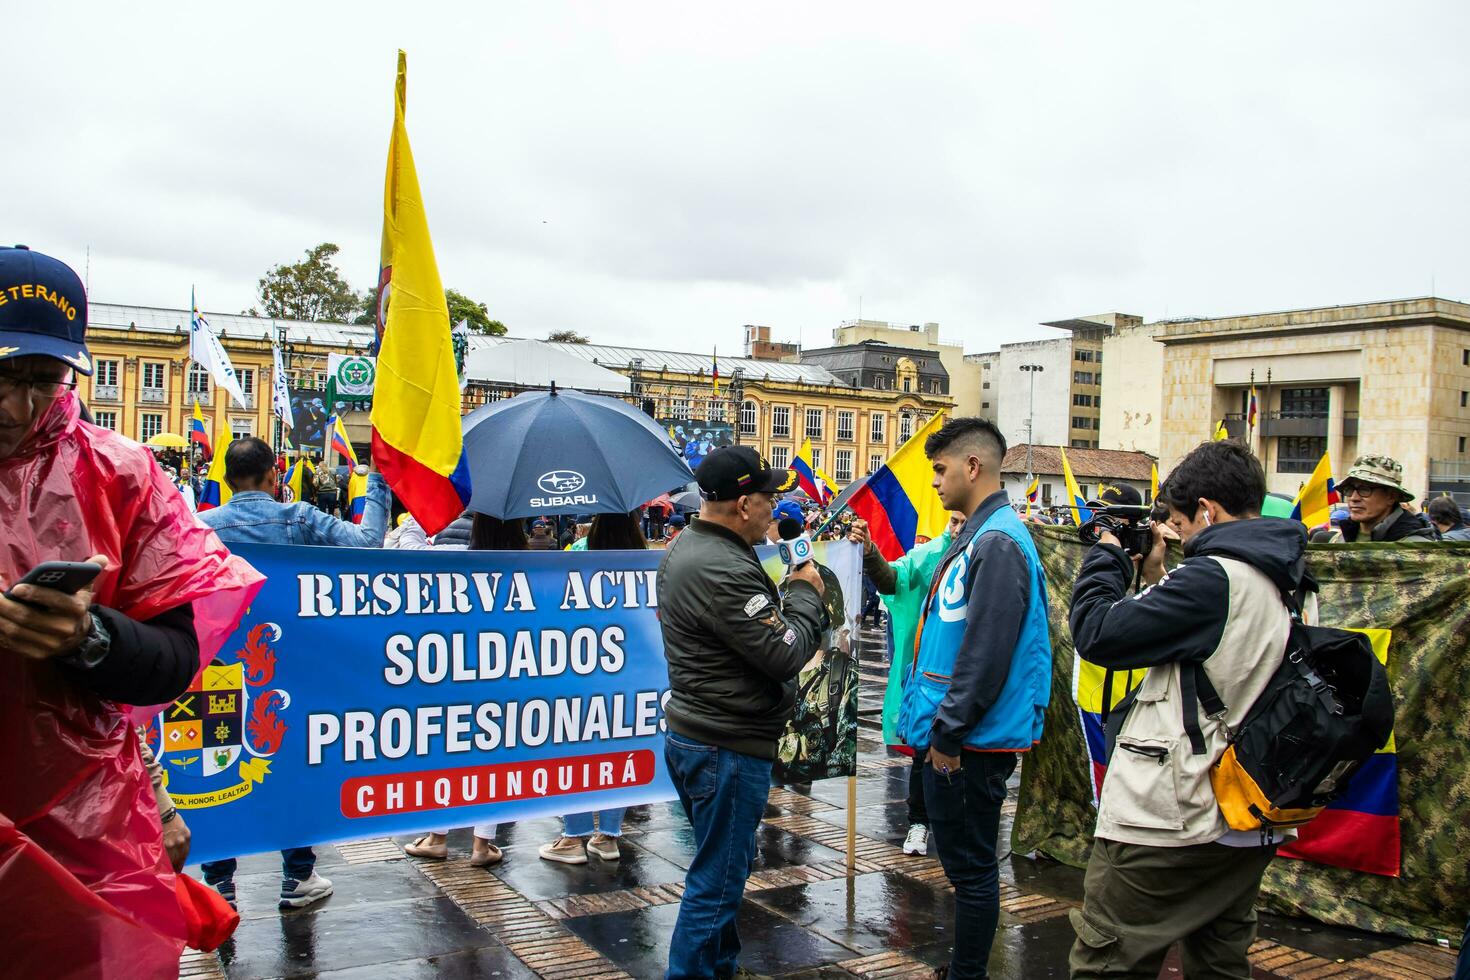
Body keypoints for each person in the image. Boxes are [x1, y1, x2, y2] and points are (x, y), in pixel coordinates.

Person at [0, 245, 259, 976]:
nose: (17, 407)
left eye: (42, 381)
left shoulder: (117, 473)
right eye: (0, 375)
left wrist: (87, 635)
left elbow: (173, 659)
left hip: (78, 823)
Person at [1066, 440, 1308, 980]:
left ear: (1208, 510)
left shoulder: (1216, 577)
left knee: (1108, 959)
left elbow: (1097, 634)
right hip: (1242, 813)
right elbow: (1208, 650)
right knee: (1218, 961)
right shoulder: (1287, 575)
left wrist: (1107, 552)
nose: (1177, 536)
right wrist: (1158, 579)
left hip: (1173, 816)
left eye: (1180, 522)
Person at [196, 435, 390, 909]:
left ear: (225, 478)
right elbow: (368, 542)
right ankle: (297, 876)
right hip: (290, 666)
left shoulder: (199, 526)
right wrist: (380, 478)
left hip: (219, 668)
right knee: (294, 763)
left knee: (217, 764)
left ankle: (218, 881)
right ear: (272, 476)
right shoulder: (299, 517)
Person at [659, 446, 827, 980]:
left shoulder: (697, 547)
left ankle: (721, 966)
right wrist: (804, 594)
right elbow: (784, 653)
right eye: (768, 498)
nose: (775, 509)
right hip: (724, 744)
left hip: (705, 733)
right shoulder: (722, 565)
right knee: (718, 880)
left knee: (724, 867)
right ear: (742, 504)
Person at [896, 418, 1052, 980]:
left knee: (973, 869)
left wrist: (949, 732)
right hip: (961, 734)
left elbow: (986, 652)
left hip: (971, 742)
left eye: (940, 469)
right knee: (965, 866)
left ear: (973, 466)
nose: (935, 482)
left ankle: (967, 974)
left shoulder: (1000, 541)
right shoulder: (980, 534)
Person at [404, 514, 527, 867]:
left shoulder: (448, 562)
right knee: (495, 756)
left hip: (453, 671)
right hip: (506, 673)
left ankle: (437, 835)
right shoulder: (526, 563)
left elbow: (405, 548)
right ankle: (481, 845)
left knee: (448, 751)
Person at [849, 511, 964, 858]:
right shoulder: (931, 555)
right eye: (953, 521)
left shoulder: (989, 553)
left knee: (966, 760)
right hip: (928, 675)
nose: (957, 528)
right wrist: (870, 552)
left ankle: (956, 829)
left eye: (964, 521)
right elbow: (894, 579)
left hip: (969, 675)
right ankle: (918, 822)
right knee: (921, 752)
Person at [541, 511, 650, 864]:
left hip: (582, 668)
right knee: (621, 752)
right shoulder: (644, 559)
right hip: (631, 673)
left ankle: (573, 837)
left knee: (577, 751)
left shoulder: (578, 552)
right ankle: (607, 836)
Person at [1331, 454, 1437, 542]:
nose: (1354, 498)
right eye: (1349, 489)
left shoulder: (1417, 548)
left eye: (1364, 489)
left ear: (1391, 496)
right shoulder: (1337, 541)